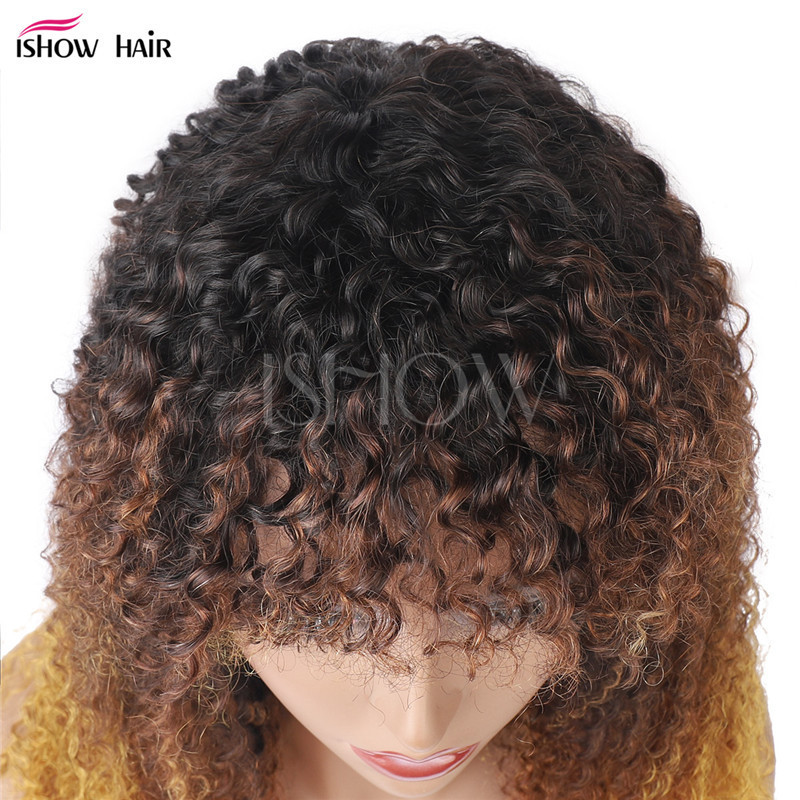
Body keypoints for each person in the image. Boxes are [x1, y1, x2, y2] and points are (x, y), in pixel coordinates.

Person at [0, 34, 775, 800]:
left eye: (508, 608)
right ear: (186, 562)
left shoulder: (690, 750)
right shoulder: (39, 758)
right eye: (325, 617)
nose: (419, 723)